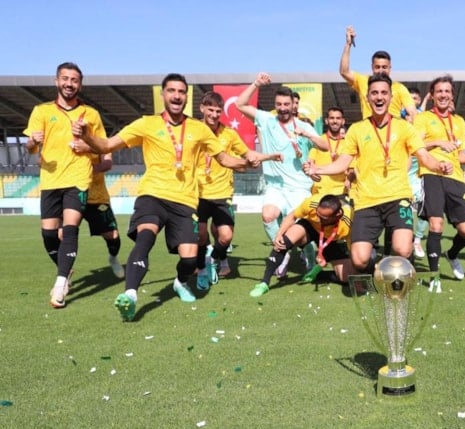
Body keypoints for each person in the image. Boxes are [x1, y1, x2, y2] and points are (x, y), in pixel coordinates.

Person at [73, 73, 264, 321]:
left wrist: (247, 162)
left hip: (185, 201)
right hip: (152, 194)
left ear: (187, 97)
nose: (176, 96)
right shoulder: (146, 124)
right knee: (145, 237)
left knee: (189, 259)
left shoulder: (199, 129)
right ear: (163, 94)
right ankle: (130, 295)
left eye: (181, 92)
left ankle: (180, 282)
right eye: (171, 91)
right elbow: (106, 146)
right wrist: (87, 136)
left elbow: (225, 159)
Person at [303, 74, 452, 274]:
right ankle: (378, 272)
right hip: (367, 201)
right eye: (374, 93)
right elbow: (342, 163)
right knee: (359, 260)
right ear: (367, 97)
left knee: (402, 248)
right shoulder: (357, 129)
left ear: (391, 97)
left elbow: (424, 156)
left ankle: (401, 272)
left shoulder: (404, 127)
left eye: (383, 93)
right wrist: (317, 169)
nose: (379, 97)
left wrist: (439, 166)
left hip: (397, 197)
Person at [24, 62, 106, 308]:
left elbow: (102, 147)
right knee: (49, 235)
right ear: (56, 81)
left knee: (70, 229)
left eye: (74, 80)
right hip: (50, 179)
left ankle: (60, 285)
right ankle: (66, 270)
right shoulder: (41, 111)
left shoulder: (91, 114)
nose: (69, 84)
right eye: (65, 79)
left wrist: (86, 145)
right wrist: (32, 141)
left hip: (78, 179)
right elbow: (30, 149)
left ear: (80, 84)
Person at [235, 74, 329, 277]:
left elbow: (325, 146)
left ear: (293, 105)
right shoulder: (267, 120)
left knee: (302, 231)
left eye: (286, 104)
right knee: (268, 215)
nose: (283, 108)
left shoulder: (304, 126)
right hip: (275, 186)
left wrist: (308, 135)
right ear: (275, 105)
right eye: (279, 104)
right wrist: (256, 83)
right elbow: (240, 104)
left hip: (299, 188)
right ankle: (282, 252)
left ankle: (309, 254)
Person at [414, 75, 465, 293]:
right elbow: (414, 145)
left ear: (452, 95)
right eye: (439, 91)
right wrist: (437, 142)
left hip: (456, 177)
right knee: (436, 225)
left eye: (447, 91)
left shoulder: (460, 121)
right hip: (431, 173)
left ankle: (452, 254)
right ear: (432, 95)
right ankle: (434, 277)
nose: (443, 95)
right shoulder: (423, 118)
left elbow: (460, 156)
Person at [194, 91, 260, 290]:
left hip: (223, 193)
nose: (214, 115)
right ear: (202, 108)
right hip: (197, 193)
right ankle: (202, 269)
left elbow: (246, 153)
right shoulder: (193, 131)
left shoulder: (229, 134)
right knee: (201, 235)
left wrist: (256, 158)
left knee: (224, 236)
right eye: (210, 110)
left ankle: (213, 259)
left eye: (218, 111)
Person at [249, 194, 354, 296]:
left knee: (347, 278)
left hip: (331, 241)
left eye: (324, 218)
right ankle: (264, 283)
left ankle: (318, 274)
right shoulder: (312, 203)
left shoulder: (349, 222)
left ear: (337, 214)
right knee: (283, 242)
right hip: (309, 227)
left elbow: (353, 249)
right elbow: (292, 216)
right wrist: (279, 234)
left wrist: (327, 259)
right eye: (318, 214)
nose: (318, 219)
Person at [339, 26, 417, 122]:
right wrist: (348, 44)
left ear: (390, 68)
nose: (381, 70)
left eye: (384, 67)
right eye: (377, 67)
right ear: (372, 67)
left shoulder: (400, 88)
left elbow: (413, 113)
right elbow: (344, 71)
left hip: (392, 130)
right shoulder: (363, 81)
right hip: (369, 129)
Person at [83, 152, 125, 279]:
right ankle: (64, 274)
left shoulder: (100, 143)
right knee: (63, 234)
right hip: (72, 195)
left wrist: (83, 169)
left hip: (97, 198)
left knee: (113, 235)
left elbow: (107, 163)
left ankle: (113, 257)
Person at [307, 106, 350, 198]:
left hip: (340, 191)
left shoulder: (348, 143)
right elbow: (310, 162)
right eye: (332, 118)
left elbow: (352, 169)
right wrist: (310, 171)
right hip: (319, 192)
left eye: (338, 118)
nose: (335, 121)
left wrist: (349, 179)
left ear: (343, 121)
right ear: (326, 121)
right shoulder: (319, 141)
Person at [406, 87, 429, 259]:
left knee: (425, 208)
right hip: (401, 171)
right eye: (409, 98)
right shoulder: (397, 119)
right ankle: (402, 242)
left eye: (415, 98)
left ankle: (418, 239)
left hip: (418, 171)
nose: (412, 101)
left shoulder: (423, 118)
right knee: (400, 211)